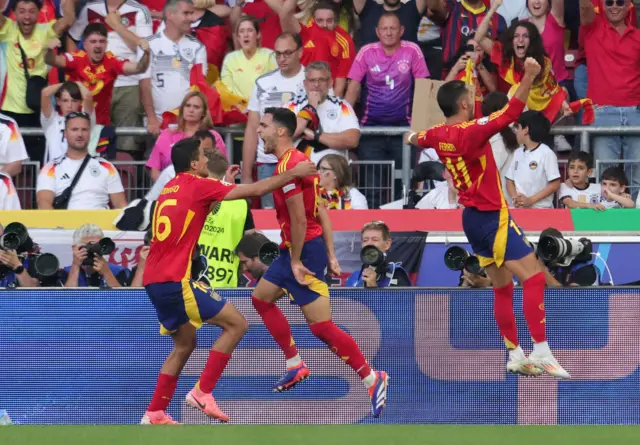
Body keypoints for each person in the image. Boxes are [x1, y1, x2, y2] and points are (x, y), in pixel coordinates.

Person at [407, 57, 570, 379]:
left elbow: (414, 137)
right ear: (465, 103)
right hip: (491, 215)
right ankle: (541, 350)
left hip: (470, 219)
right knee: (534, 277)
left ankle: (514, 352)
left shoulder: (437, 134)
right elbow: (511, 114)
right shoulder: (470, 132)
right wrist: (530, 75)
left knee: (502, 289)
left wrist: (413, 137)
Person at [141, 136, 317, 425]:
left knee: (185, 343)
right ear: (195, 163)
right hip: (177, 281)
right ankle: (202, 392)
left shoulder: (168, 190)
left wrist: (222, 185)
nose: (207, 159)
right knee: (237, 324)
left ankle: (155, 412)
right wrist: (293, 174)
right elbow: (258, 188)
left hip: (154, 282)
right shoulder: (200, 184)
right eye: (202, 155)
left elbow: (199, 211)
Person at [251, 107, 389, 417]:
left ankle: (371, 377)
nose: (258, 131)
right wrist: (330, 254)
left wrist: (301, 259)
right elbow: (321, 213)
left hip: (302, 251)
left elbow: (301, 220)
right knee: (260, 298)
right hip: (299, 250)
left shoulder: (290, 168)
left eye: (263, 126)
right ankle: (295, 363)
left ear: (282, 132)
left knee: (322, 327)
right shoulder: (301, 164)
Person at [241, 32, 306, 209]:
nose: (281, 58)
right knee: (271, 220)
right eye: (277, 54)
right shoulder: (262, 83)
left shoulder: (312, 80)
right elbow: (252, 128)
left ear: (300, 52)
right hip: (268, 163)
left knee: (303, 215)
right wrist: (246, 174)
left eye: (287, 53)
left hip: (301, 162)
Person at [46, 23, 151, 127]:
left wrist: (146, 53)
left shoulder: (112, 61)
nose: (98, 45)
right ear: (85, 44)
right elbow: (51, 60)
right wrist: (49, 50)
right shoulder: (76, 59)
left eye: (102, 41)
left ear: (106, 44)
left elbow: (139, 68)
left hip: (99, 127)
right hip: (73, 126)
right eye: (93, 41)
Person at [36, 112, 128, 210]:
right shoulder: (50, 168)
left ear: (90, 133)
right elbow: (44, 204)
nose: (80, 134)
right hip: (65, 224)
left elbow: (120, 204)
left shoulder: (107, 166)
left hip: (99, 224)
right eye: (74, 130)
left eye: (84, 130)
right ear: (65, 134)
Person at [197, 150, 255, 288]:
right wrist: (229, 186)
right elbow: (251, 243)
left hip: (194, 285)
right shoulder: (241, 204)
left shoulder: (192, 200)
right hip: (227, 286)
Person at [286, 61, 360, 165]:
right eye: (312, 80)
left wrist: (315, 136)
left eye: (322, 80)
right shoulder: (291, 105)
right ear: (305, 84)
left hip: (332, 176)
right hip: (296, 174)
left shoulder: (342, 106)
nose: (316, 85)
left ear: (330, 83)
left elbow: (352, 140)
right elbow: (285, 135)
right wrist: (311, 106)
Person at [146, 91, 227, 181]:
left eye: (196, 107)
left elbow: (221, 168)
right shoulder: (166, 134)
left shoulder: (213, 137)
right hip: (170, 188)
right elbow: (154, 169)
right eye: (188, 106)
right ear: (182, 109)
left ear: (203, 112)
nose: (191, 110)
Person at [505, 110, 561, 209]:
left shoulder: (546, 153)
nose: (516, 131)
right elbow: (509, 181)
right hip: (518, 210)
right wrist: (515, 198)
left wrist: (530, 200)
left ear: (525, 130)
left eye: (518, 127)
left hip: (541, 211)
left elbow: (555, 184)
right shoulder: (517, 153)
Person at [220, 16, 276, 102]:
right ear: (238, 37)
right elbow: (227, 90)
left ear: (257, 35)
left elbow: (276, 84)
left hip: (264, 106)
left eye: (250, 30)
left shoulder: (269, 56)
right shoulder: (230, 59)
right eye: (241, 31)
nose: (245, 35)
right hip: (238, 108)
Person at [345, 220, 412, 287]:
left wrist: (374, 287)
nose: (369, 243)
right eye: (365, 240)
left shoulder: (397, 273)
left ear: (387, 244)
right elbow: (346, 298)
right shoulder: (355, 277)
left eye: (375, 239)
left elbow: (404, 297)